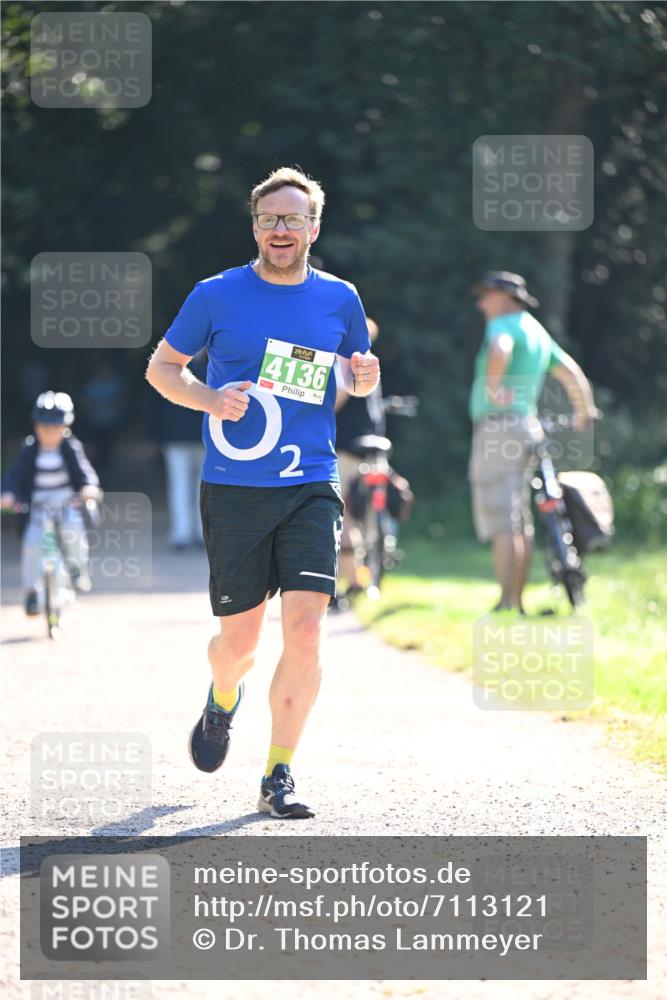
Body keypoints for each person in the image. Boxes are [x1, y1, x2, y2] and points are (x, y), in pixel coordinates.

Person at [145, 166, 380, 819]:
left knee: (305, 630)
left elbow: (353, 381)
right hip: (234, 487)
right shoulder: (215, 295)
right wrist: (208, 397)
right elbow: (162, 368)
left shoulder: (339, 298)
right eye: (269, 218)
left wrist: (363, 378)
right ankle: (222, 700)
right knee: (239, 646)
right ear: (255, 226)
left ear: (313, 227)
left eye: (293, 218)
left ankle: (279, 772)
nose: (281, 229)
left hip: (309, 480)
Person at [468, 271, 597, 613]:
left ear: (506, 298)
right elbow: (571, 372)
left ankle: (507, 602)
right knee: (518, 518)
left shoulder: (503, 325)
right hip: (527, 426)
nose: (481, 303)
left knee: (501, 517)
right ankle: (517, 601)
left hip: (499, 427)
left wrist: (494, 389)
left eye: (486, 295)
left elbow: (499, 349)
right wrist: (584, 411)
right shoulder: (536, 330)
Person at [1, 391, 101, 614]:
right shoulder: (29, 449)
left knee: (73, 530)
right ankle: (31, 592)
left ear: (65, 427)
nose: (49, 433)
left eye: (55, 428)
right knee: (32, 543)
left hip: (66, 501)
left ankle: (77, 570)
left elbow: (84, 472)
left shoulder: (70, 447)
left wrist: (88, 489)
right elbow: (14, 476)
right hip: (37, 504)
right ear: (35, 427)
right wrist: (8, 494)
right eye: (43, 427)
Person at [334, 317, 385, 603]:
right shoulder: (369, 363)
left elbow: (336, 401)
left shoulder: (347, 363)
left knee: (345, 514)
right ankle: (364, 575)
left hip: (347, 446)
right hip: (372, 448)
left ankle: (353, 580)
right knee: (361, 511)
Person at [152, 350, 207, 550]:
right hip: (200, 437)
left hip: (175, 436)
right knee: (200, 487)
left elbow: (157, 409)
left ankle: (181, 533)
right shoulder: (213, 370)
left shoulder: (166, 370)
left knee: (180, 485)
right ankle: (198, 532)